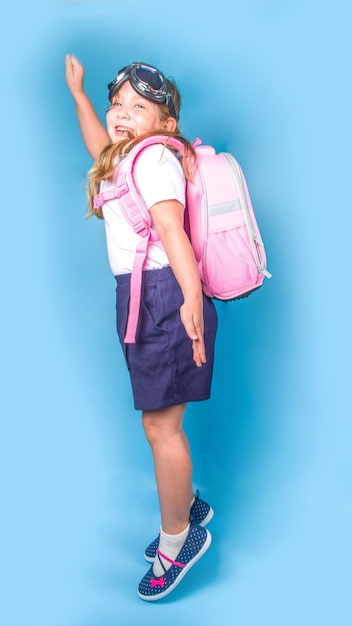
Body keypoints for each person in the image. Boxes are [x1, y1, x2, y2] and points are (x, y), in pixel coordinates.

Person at [65, 55, 218, 601]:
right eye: (118, 104)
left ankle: (180, 539)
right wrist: (81, 96)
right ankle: (186, 504)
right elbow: (95, 146)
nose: (123, 114)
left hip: (163, 297)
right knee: (161, 422)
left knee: (160, 428)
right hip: (142, 296)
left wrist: (191, 302)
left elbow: (173, 231)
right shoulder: (126, 158)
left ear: (166, 124)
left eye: (139, 106)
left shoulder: (154, 162)